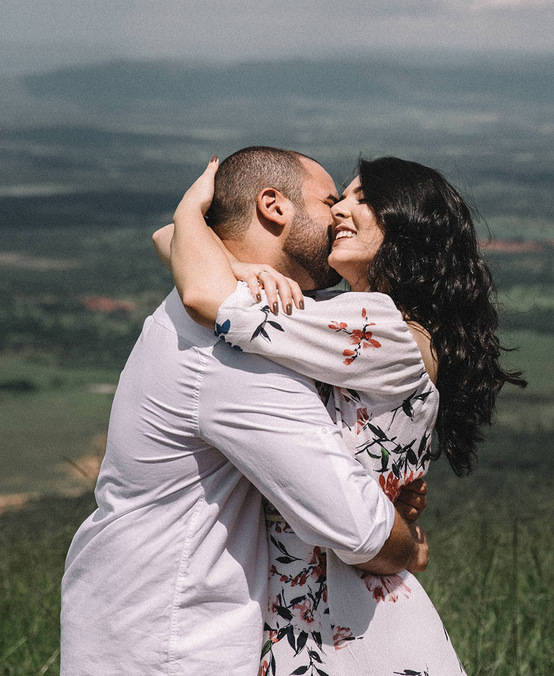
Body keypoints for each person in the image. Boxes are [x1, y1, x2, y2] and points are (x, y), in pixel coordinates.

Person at [60, 147, 430, 676]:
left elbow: (176, 248)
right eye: (330, 200)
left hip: (136, 622)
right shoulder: (234, 354)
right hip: (175, 642)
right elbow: (359, 529)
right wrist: (411, 545)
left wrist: (222, 254)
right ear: (274, 207)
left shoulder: (226, 314)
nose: (339, 215)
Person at [162, 154, 525, 675]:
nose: (339, 212)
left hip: (348, 623)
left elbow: (199, 287)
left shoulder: (383, 330)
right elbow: (177, 253)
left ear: (406, 226)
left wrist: (192, 208)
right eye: (340, 197)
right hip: (316, 608)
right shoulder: (349, 316)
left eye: (362, 199)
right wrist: (245, 267)